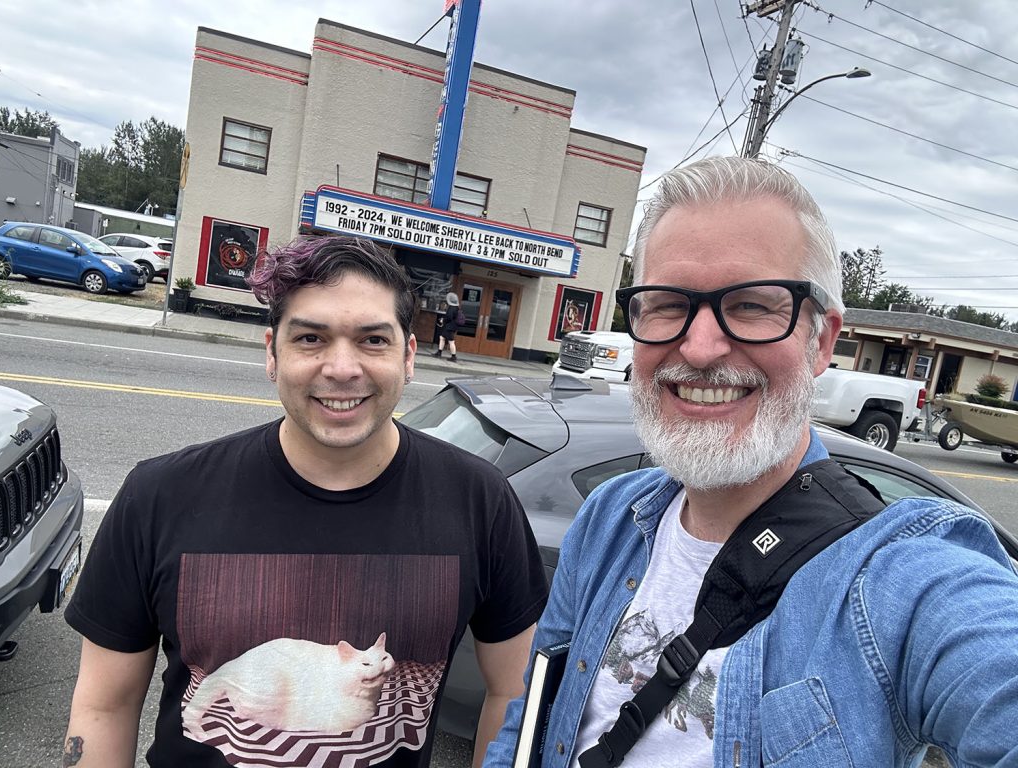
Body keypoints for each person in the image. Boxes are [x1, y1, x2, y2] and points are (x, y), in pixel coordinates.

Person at [484, 157, 1018, 768]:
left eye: (753, 306)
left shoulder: (900, 580)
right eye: (664, 304)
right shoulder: (610, 516)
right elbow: (532, 718)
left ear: (820, 341)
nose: (700, 347)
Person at [63, 235, 548, 768]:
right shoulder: (158, 495)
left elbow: (512, 693)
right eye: (311, 338)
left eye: (372, 341)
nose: (342, 368)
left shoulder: (481, 500)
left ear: (409, 356)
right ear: (272, 353)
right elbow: (105, 706)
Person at [432, 290, 463, 362]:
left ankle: (453, 356)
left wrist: (443, 320)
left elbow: (449, 317)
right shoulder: (457, 307)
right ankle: (439, 352)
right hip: (452, 326)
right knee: (442, 337)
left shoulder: (451, 308)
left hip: (449, 327)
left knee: (451, 341)